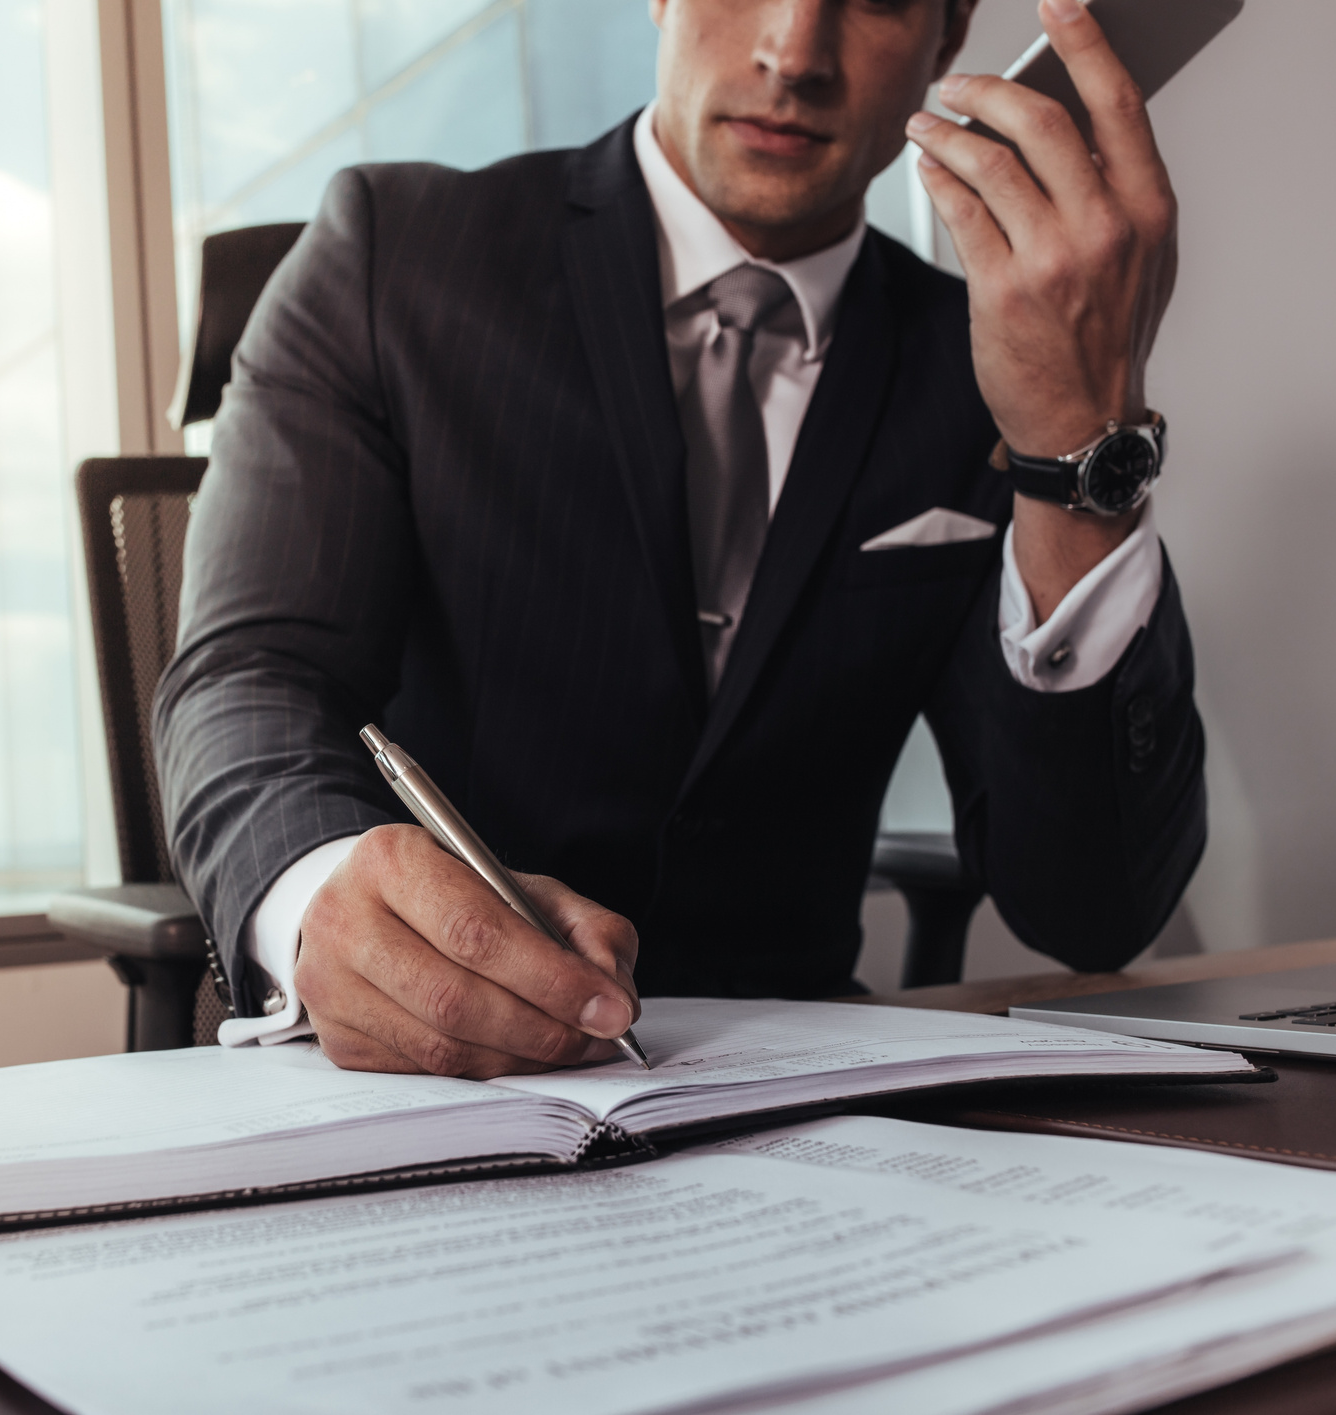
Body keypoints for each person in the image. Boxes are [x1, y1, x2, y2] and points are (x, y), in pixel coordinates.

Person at [156, 0, 1203, 1078]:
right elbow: (246, 677)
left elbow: (1091, 910)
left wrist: (1078, 460)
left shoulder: (988, 361)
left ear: (946, 39)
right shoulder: (390, 257)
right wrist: (320, 887)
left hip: (790, 1097)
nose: (792, 54)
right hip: (417, 1074)